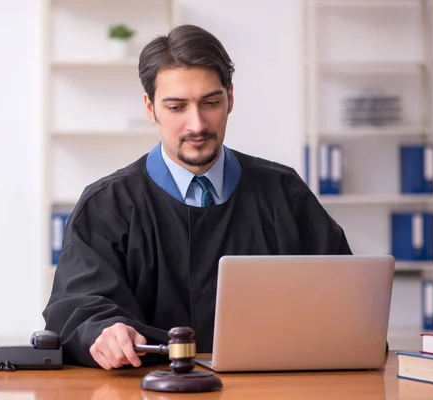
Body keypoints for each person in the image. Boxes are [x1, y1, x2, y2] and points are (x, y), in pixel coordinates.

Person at [42, 24, 352, 370]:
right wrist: (104, 331)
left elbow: (342, 298)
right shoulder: (106, 204)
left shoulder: (284, 192)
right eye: (177, 107)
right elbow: (77, 305)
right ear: (150, 108)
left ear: (230, 98)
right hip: (147, 387)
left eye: (211, 103)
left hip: (265, 387)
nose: (197, 125)